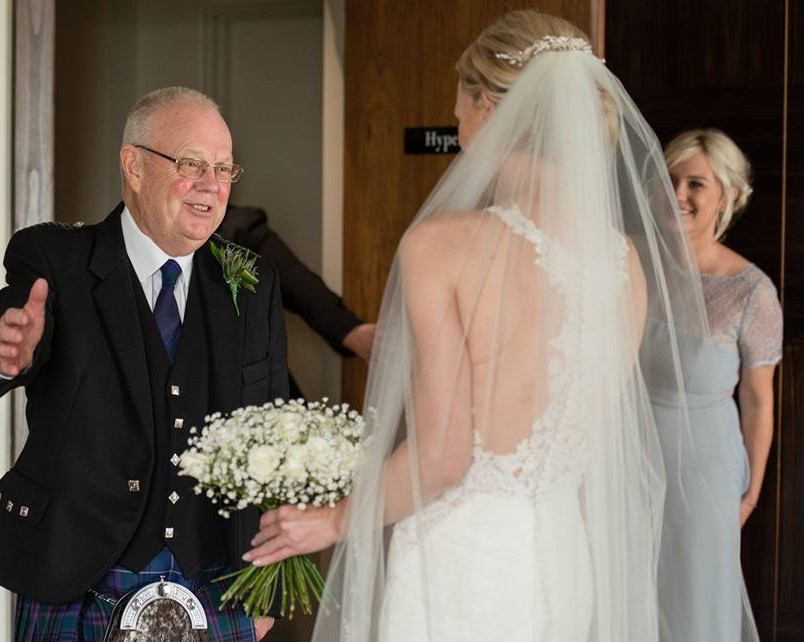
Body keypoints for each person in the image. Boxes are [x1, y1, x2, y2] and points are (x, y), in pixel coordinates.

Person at [242, 10, 708, 641]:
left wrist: (328, 522)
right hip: (566, 555)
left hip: (465, 563)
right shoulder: (625, 263)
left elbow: (440, 457)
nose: (459, 128)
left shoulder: (443, 247)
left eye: (460, 108)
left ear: (492, 109)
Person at [0, 87, 285, 642]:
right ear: (134, 165)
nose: (212, 185)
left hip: (216, 585)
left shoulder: (252, 283)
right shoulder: (59, 260)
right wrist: (3, 354)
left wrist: (266, 593)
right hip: (78, 580)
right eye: (191, 164)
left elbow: (272, 440)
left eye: (224, 168)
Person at [654, 129, 782, 642]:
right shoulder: (635, 262)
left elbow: (756, 398)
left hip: (704, 470)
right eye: (669, 180)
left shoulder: (751, 291)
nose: (678, 194)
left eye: (695, 183)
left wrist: (749, 494)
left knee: (695, 597)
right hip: (633, 455)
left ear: (727, 195)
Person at [217, 205, 375, 397]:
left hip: (244, 385)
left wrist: (349, 329)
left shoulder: (236, 226)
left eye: (223, 172)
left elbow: (291, 277)